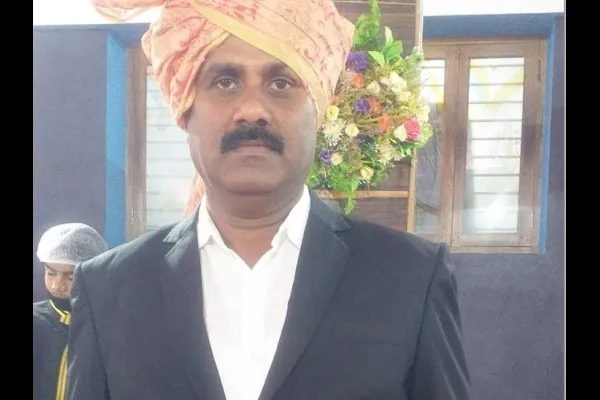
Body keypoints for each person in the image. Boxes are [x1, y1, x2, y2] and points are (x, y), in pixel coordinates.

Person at [66, 0, 471, 399]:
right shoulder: (108, 289)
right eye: (225, 82)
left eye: (281, 84)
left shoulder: (410, 277)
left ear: (319, 109)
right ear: (185, 109)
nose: (252, 110)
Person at [33, 222, 108, 400]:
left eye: (70, 276)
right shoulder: (36, 320)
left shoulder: (105, 325)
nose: (57, 284)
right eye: (51, 273)